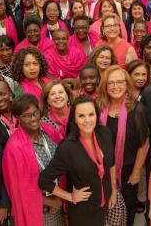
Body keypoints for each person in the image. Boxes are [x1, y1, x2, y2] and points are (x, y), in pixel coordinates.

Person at [39, 95, 118, 226]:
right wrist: (70, 196)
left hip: (103, 203)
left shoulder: (105, 133)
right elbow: (44, 181)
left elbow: (111, 164)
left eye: (91, 114)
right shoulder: (67, 148)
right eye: (81, 116)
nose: (87, 120)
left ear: (97, 116)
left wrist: (114, 191)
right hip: (82, 211)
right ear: (74, 119)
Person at [96, 65, 149, 225]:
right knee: (105, 209)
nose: (115, 86)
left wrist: (136, 173)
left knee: (127, 210)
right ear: (105, 86)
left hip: (127, 171)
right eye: (111, 83)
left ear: (127, 84)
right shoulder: (98, 107)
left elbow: (144, 143)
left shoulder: (137, 109)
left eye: (120, 82)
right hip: (102, 170)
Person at [3, 93, 64, 226]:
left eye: (35, 113)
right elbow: (21, 190)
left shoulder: (49, 130)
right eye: (26, 115)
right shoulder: (14, 148)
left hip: (62, 199)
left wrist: (59, 197)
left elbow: (64, 163)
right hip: (39, 209)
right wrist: (52, 202)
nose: (33, 119)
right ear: (17, 117)